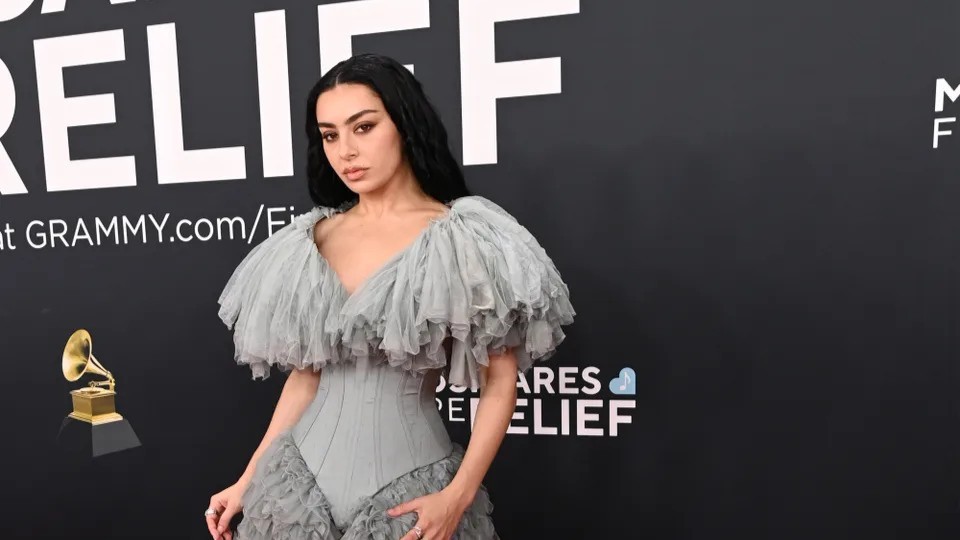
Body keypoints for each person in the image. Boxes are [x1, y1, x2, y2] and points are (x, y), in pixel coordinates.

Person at [206, 53, 576, 540]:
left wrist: (457, 497)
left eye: (363, 127)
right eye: (330, 134)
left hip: (411, 496)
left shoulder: (463, 239)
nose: (346, 152)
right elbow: (305, 378)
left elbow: (500, 383)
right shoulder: (308, 240)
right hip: (294, 493)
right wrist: (249, 478)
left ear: (403, 124)